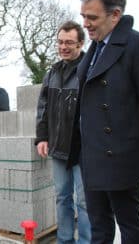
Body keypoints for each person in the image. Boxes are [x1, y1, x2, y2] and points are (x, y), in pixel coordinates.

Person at [76, 0, 139, 243]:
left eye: (92, 18)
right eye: (83, 16)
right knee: (99, 226)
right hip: (92, 155)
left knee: (129, 224)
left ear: (115, 15)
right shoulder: (93, 50)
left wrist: (137, 143)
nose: (86, 24)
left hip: (121, 155)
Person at [36, 21, 90, 244]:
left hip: (84, 148)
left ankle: (87, 241)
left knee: (86, 202)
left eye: (69, 42)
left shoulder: (90, 68)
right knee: (62, 197)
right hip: (58, 147)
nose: (63, 47)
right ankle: (64, 240)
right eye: (60, 42)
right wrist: (42, 137)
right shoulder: (53, 72)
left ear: (80, 43)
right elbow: (43, 107)